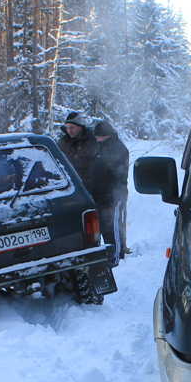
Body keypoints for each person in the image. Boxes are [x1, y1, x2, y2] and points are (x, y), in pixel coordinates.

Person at [90, 120, 129, 266]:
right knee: (105, 227)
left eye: (98, 136)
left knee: (114, 227)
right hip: (100, 197)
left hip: (113, 197)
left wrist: (111, 194)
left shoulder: (117, 148)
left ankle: (118, 258)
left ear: (104, 135)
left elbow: (118, 174)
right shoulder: (102, 149)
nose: (96, 139)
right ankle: (109, 256)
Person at [56, 111, 97, 183]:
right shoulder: (63, 142)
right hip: (68, 184)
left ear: (80, 126)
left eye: (72, 127)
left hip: (88, 185)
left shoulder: (92, 141)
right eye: (67, 128)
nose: (69, 131)